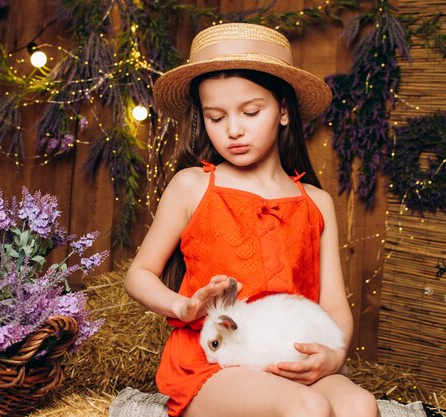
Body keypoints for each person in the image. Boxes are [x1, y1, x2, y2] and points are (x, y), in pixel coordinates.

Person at [124, 23, 379, 417]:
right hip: (215, 362)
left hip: (288, 355)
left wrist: (334, 354)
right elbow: (138, 274)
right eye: (216, 117)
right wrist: (183, 307)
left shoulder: (317, 201)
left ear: (282, 110)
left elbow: (332, 304)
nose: (234, 130)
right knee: (306, 407)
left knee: (360, 406)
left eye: (251, 111)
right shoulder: (192, 186)